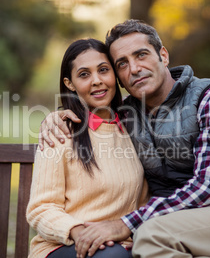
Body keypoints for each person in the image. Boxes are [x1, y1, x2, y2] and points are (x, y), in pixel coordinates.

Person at [38, 20, 210, 258]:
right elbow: (95, 120)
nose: (135, 68)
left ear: (163, 55)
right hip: (182, 229)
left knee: (150, 236)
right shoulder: (128, 117)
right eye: (122, 64)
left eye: (141, 55)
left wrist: (126, 224)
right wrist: (56, 119)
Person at [26, 38, 148, 258]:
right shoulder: (61, 132)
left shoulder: (134, 130)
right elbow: (41, 209)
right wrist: (80, 232)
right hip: (63, 246)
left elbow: (142, 204)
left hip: (122, 246)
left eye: (103, 70)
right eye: (84, 74)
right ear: (70, 83)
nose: (97, 81)